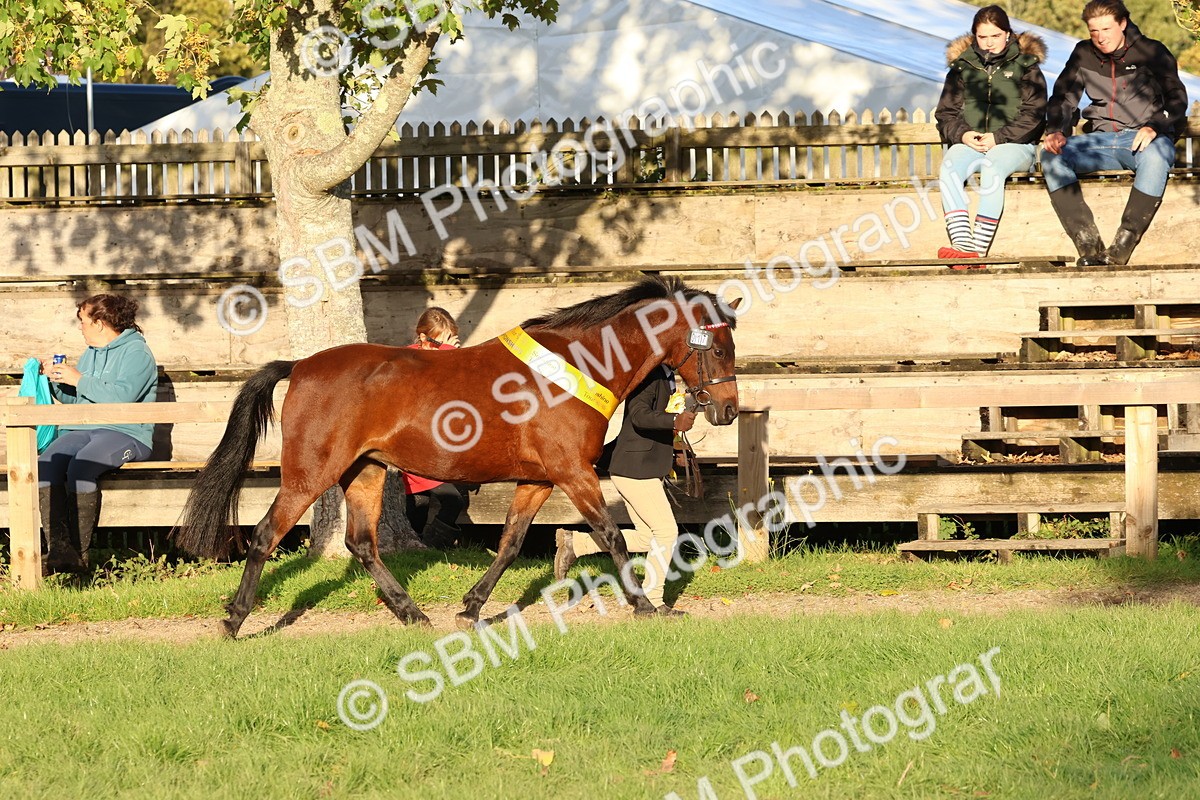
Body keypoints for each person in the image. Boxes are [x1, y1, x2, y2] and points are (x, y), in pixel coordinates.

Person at [1041, 0, 1188, 266]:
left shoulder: (1152, 51)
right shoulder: (1083, 53)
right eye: (1093, 30)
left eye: (1106, 29)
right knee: (1052, 156)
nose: (1100, 37)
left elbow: (1176, 97)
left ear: (1122, 24)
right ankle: (1087, 242)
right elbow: (1063, 97)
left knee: (1155, 158)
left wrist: (1155, 125)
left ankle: (1124, 242)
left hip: (1147, 139)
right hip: (1102, 140)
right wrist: (1057, 130)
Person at [552, 365, 697, 616]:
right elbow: (639, 415)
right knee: (666, 532)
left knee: (647, 537)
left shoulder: (666, 376)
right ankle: (652, 600)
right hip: (635, 468)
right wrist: (675, 420)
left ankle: (577, 543)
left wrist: (674, 452)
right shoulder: (650, 375)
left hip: (638, 466)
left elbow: (651, 426)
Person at [37, 294, 158, 573]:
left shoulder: (137, 353)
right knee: (45, 465)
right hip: (83, 428)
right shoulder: (91, 352)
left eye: (83, 321)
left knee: (81, 467)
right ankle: (58, 549)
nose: (80, 327)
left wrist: (78, 378)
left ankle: (79, 557)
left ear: (100, 323)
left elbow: (123, 396)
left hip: (125, 432)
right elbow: (80, 400)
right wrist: (56, 382)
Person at [935, 5, 1047, 268]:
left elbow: (1034, 114)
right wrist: (963, 135)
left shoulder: (1027, 66)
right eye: (982, 37)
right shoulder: (962, 67)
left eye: (995, 36)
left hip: (1015, 144)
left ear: (1007, 34)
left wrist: (999, 137)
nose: (988, 43)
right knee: (949, 167)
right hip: (972, 142)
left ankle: (978, 252)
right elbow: (946, 113)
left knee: (992, 167)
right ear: (974, 36)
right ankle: (963, 248)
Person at [403, 307, 466, 548]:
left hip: (430, 445)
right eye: (438, 343)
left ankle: (415, 547)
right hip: (412, 445)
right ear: (422, 339)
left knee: (418, 501)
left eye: (448, 341)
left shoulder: (438, 357)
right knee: (453, 501)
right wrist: (450, 355)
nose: (443, 348)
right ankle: (432, 547)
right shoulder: (409, 360)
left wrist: (453, 357)